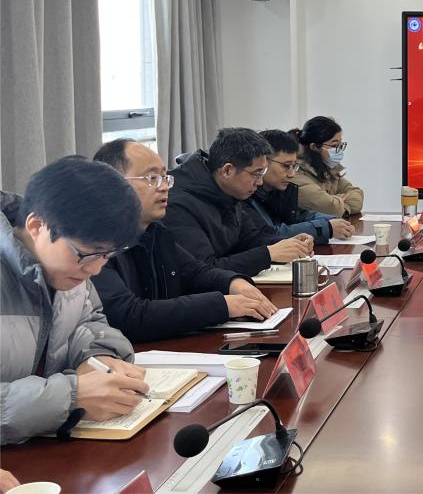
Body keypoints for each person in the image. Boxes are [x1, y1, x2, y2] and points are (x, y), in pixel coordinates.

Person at [0, 157, 150, 444]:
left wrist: (99, 357)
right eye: (87, 254)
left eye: (107, 255)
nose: (96, 269)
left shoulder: (68, 269)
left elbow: (88, 320)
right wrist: (70, 397)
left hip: (49, 447)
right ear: (37, 226)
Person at [91, 139, 278, 342]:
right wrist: (222, 305)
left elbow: (194, 272)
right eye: (152, 178)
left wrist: (233, 282)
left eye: (165, 177)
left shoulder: (154, 230)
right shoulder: (93, 243)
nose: (164, 187)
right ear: (111, 184)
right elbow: (128, 315)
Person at [164, 128, 314, 277]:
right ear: (227, 171)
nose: (260, 182)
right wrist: (268, 254)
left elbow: (249, 239)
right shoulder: (178, 205)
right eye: (257, 174)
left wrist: (289, 244)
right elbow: (204, 270)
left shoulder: (227, 191)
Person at [245, 130, 355, 245]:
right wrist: (327, 227)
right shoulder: (244, 195)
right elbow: (270, 234)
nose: (292, 174)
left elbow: (300, 216)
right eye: (286, 166)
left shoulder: (281, 190)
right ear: (263, 162)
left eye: (294, 166)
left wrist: (332, 221)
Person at [290, 116, 365, 216]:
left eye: (340, 145)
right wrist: (338, 203)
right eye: (334, 146)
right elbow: (331, 209)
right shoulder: (295, 172)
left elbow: (357, 194)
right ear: (314, 147)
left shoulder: (327, 169)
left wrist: (336, 202)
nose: (339, 150)